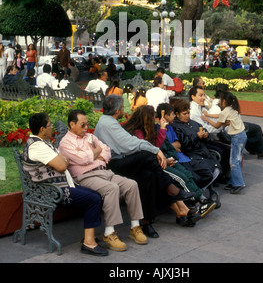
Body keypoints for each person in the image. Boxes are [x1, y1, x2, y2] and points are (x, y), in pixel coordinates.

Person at [94, 95, 196, 238]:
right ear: (117, 111)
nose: (124, 109)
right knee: (148, 155)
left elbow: (131, 143)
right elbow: (129, 144)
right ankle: (171, 189)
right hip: (114, 165)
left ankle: (146, 221)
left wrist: (156, 151)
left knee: (149, 175)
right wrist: (156, 151)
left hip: (122, 161)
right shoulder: (108, 124)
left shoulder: (109, 121)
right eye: (123, 107)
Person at [59, 110, 148, 252]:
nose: (86, 128)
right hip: (85, 177)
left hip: (104, 172)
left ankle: (135, 226)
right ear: (72, 124)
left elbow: (107, 150)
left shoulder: (90, 136)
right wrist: (96, 152)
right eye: (82, 125)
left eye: (87, 124)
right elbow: (82, 159)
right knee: (111, 188)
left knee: (131, 184)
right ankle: (109, 233)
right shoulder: (65, 143)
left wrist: (96, 153)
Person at [23, 112, 108, 256]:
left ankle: (90, 237)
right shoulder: (37, 147)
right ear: (42, 129)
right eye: (49, 125)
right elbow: (62, 165)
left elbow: (63, 160)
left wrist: (63, 160)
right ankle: (88, 243)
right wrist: (62, 160)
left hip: (60, 186)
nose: (52, 128)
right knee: (93, 199)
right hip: (52, 191)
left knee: (95, 194)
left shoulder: (43, 144)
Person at [124, 104, 216, 225]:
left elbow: (162, 146)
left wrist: (169, 155)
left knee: (185, 174)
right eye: (152, 117)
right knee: (179, 178)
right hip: (154, 164)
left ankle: (187, 210)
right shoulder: (139, 133)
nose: (154, 119)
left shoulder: (153, 129)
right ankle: (196, 202)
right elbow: (151, 149)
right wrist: (162, 131)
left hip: (163, 160)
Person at [209, 83, 263, 160]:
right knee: (256, 128)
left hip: (229, 126)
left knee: (249, 128)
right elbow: (220, 122)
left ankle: (253, 149)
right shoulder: (222, 104)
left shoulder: (216, 104)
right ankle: (262, 152)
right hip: (231, 128)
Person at [171, 99, 222, 196]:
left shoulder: (193, 123)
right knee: (208, 173)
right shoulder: (175, 126)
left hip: (203, 153)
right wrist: (196, 137)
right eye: (184, 114)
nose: (187, 116)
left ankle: (200, 191)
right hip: (191, 155)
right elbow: (183, 144)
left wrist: (206, 135)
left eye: (188, 113)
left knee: (217, 169)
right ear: (177, 114)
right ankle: (198, 193)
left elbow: (205, 134)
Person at [201, 92, 247, 194]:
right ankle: (233, 182)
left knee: (234, 162)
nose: (219, 102)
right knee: (235, 160)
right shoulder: (229, 110)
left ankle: (239, 183)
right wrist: (208, 114)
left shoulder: (226, 111)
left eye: (221, 100)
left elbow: (217, 126)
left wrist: (206, 118)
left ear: (224, 101)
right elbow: (219, 115)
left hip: (237, 137)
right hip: (241, 136)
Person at [189, 86, 231, 181]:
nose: (203, 98)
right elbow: (206, 128)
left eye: (204, 95)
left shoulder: (201, 108)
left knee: (227, 149)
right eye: (200, 95)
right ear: (193, 97)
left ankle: (223, 175)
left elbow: (209, 122)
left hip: (207, 138)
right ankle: (219, 177)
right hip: (198, 142)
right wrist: (221, 126)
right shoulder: (193, 112)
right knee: (221, 151)